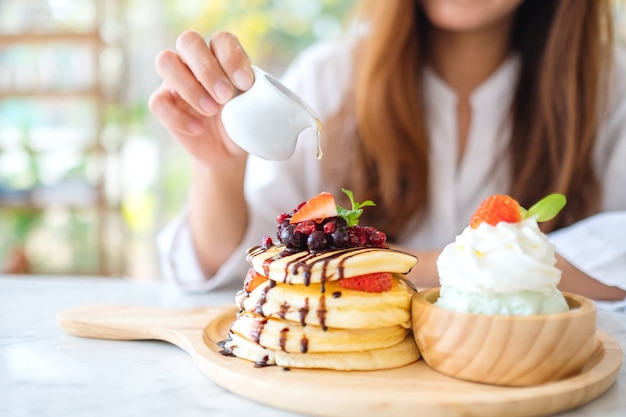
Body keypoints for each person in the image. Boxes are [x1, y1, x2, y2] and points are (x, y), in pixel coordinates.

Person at [149, 0, 626, 307]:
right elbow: (235, 270)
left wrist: (376, 265)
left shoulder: (609, 88)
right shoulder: (330, 76)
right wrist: (218, 170)